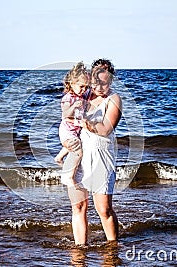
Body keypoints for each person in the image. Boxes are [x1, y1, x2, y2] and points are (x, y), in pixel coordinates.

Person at [63, 58, 122, 245]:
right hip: (79, 155)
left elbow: (105, 129)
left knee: (103, 209)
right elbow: (66, 117)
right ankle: (81, 248)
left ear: (111, 81)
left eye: (105, 83)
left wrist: (84, 123)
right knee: (78, 206)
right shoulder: (83, 94)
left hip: (101, 158)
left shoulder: (114, 99)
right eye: (96, 83)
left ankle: (113, 248)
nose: (100, 87)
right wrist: (65, 141)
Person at [55, 62, 90, 186]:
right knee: (78, 150)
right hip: (67, 131)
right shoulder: (68, 98)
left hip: (74, 131)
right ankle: (70, 176)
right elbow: (65, 114)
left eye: (86, 87)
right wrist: (74, 106)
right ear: (71, 83)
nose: (84, 90)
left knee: (75, 143)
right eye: (81, 86)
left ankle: (59, 158)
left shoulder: (82, 94)